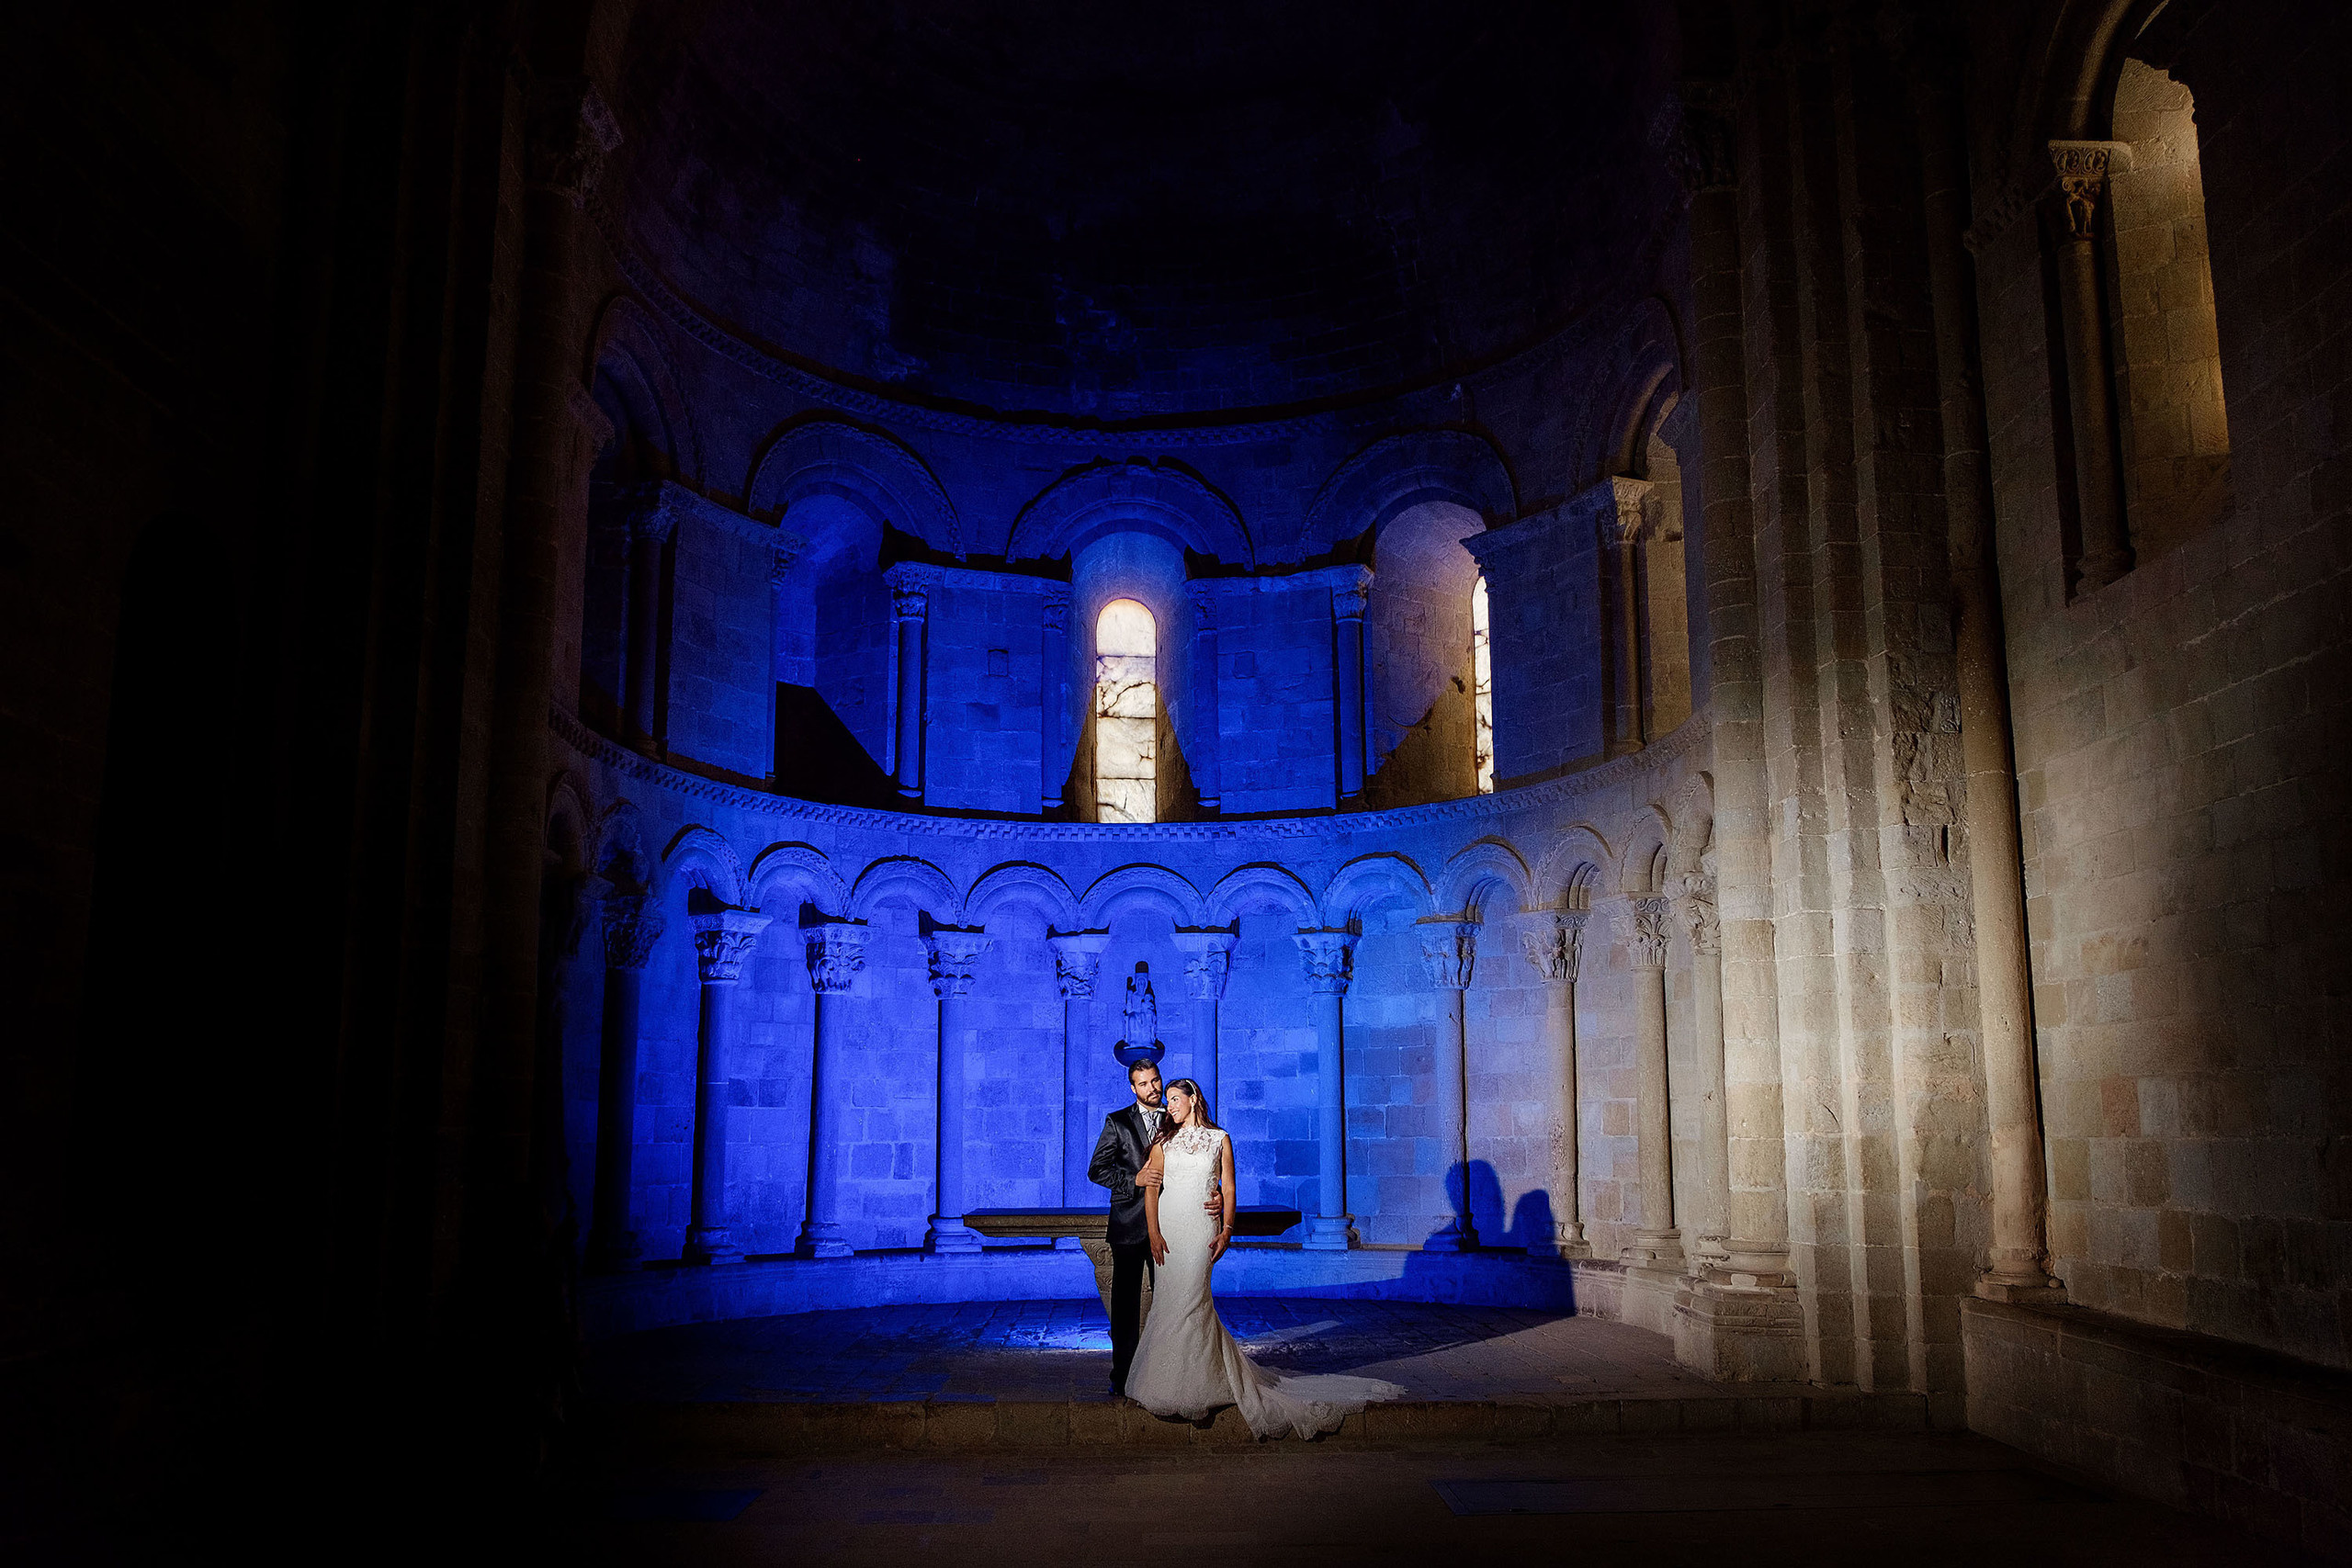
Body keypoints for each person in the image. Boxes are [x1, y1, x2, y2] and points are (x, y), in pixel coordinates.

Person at [1125, 1077, 1404, 1439]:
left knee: (1193, 1300)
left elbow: (1228, 1187)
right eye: (1170, 1100)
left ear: (1193, 1100)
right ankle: (1164, 1382)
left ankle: (1199, 1383)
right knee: (1169, 1301)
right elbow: (1151, 1188)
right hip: (1169, 1226)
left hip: (1200, 1230)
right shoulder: (1164, 1141)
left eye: (1176, 1098)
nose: (1170, 1104)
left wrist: (1226, 1229)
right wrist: (1154, 1232)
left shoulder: (1220, 1139)